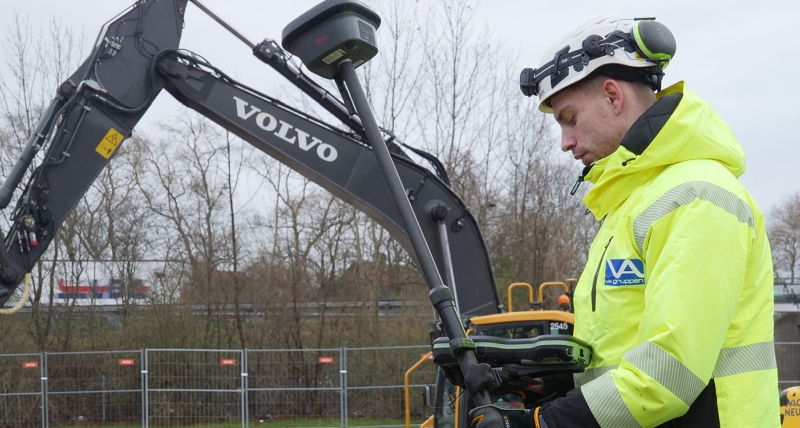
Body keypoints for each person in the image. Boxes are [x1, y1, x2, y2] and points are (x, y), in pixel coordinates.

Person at [469, 14, 779, 428]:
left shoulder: (696, 196)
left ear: (613, 97)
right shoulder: (635, 204)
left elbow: (666, 376)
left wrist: (542, 422)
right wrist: (543, 383)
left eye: (570, 119)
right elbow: (621, 355)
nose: (565, 143)